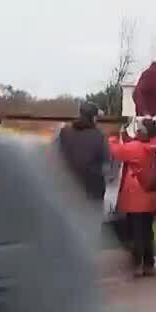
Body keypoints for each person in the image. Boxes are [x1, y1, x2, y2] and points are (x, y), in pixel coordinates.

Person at [108, 118, 156, 277]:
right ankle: (148, 264)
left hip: (136, 198)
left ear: (142, 132)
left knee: (137, 233)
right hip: (149, 198)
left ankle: (137, 265)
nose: (136, 130)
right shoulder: (151, 146)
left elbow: (116, 150)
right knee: (147, 232)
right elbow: (131, 145)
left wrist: (113, 136)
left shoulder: (137, 148)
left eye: (138, 129)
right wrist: (125, 135)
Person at [57, 102, 109, 251]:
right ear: (93, 118)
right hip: (93, 191)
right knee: (91, 231)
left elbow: (54, 156)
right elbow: (107, 164)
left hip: (68, 189)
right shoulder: (99, 136)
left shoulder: (64, 132)